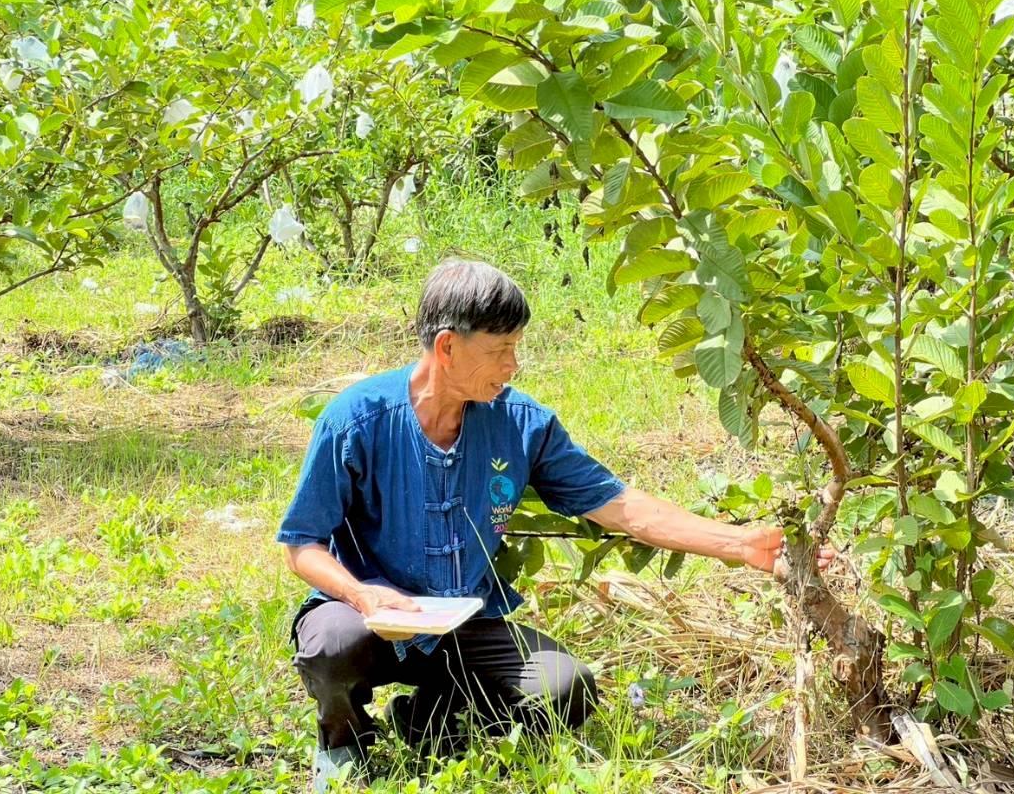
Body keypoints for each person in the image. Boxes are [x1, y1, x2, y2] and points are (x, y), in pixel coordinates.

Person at [277, 260, 833, 791]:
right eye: (500, 351)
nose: (512, 367)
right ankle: (342, 742)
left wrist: (742, 545)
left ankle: (426, 721)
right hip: (369, 614)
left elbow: (622, 506)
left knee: (565, 688)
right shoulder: (356, 419)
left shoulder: (521, 423)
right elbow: (301, 544)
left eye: (515, 349)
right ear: (447, 346)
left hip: (467, 617)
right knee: (331, 643)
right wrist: (362, 593)